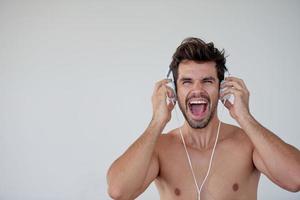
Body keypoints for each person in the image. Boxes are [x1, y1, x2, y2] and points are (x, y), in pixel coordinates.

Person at [106, 37, 300, 200]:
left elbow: (295, 179)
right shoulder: (160, 148)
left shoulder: (248, 143)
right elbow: (118, 191)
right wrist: (157, 121)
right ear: (174, 90)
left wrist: (244, 117)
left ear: (222, 88)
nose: (197, 90)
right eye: (187, 82)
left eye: (207, 81)